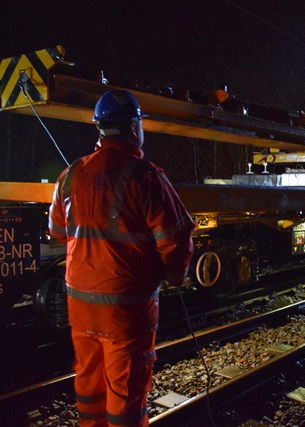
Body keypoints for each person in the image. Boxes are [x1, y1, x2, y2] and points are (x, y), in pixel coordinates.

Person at [49, 90, 195, 427]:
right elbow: (176, 240)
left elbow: (58, 231)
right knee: (125, 390)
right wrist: (175, 277)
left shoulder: (69, 175)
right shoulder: (147, 177)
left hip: (80, 306)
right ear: (133, 127)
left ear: (100, 129)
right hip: (125, 312)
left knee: (89, 383)